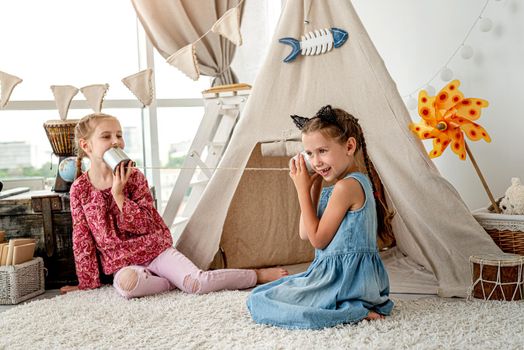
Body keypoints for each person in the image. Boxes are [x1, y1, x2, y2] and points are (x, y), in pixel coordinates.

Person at [60, 112, 288, 298]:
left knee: (196, 283)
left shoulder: (135, 177)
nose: (116, 141)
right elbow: (82, 239)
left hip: (155, 250)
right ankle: (170, 282)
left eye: (119, 135)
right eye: (106, 137)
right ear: (86, 146)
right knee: (128, 287)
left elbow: (146, 224)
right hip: (123, 264)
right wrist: (86, 283)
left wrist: (119, 196)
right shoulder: (80, 189)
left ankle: (256, 275)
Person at [247, 105, 394, 329]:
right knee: (265, 291)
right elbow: (305, 233)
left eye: (323, 151)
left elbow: (318, 240)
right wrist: (312, 187)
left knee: (260, 301)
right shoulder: (339, 187)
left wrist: (301, 190)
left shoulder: (347, 187)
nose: (316, 161)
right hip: (346, 278)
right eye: (309, 154)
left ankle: (352, 311)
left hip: (344, 281)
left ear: (349, 146)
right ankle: (352, 307)